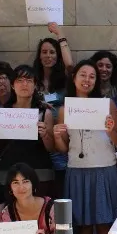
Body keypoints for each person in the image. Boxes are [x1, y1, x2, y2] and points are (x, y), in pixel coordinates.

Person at [54, 61, 117, 234]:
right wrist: (58, 135)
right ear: (74, 78)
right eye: (83, 75)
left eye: (92, 76)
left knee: (104, 225)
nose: (87, 80)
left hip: (104, 168)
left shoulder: (106, 105)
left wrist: (110, 129)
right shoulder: (65, 109)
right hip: (77, 170)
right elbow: (63, 148)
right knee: (83, 226)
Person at [0, 65, 55, 198]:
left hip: (39, 171)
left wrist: (45, 135)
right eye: (20, 80)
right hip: (8, 172)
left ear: (35, 85)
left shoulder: (45, 113)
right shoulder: (3, 113)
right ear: (12, 85)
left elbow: (51, 147)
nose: (24, 84)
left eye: (29, 81)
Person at [33, 23, 73, 198]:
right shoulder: (31, 80)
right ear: (39, 55)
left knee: (60, 185)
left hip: (60, 140)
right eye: (44, 52)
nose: (48, 56)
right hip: (38, 141)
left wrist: (60, 34)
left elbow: (71, 65)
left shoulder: (64, 80)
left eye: (52, 52)